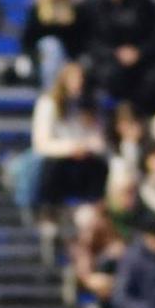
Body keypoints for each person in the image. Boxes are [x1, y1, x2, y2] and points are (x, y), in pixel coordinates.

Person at [81, 0, 155, 114]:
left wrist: (139, 52)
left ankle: (141, 118)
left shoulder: (144, 5)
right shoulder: (92, 6)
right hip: (107, 61)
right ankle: (114, 118)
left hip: (143, 60)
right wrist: (115, 53)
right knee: (108, 76)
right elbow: (88, 40)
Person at [31, 62, 109, 209]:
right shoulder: (49, 103)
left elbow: (99, 140)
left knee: (100, 167)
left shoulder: (91, 105)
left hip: (85, 158)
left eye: (81, 79)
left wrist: (86, 147)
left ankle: (92, 209)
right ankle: (50, 212)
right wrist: (71, 148)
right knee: (52, 169)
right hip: (57, 159)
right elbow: (41, 143)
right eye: (73, 79)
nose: (78, 83)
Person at [20, 0, 84, 89]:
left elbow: (77, 40)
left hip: (68, 59)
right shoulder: (36, 8)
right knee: (52, 46)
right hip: (42, 59)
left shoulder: (74, 10)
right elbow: (28, 39)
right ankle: (50, 92)